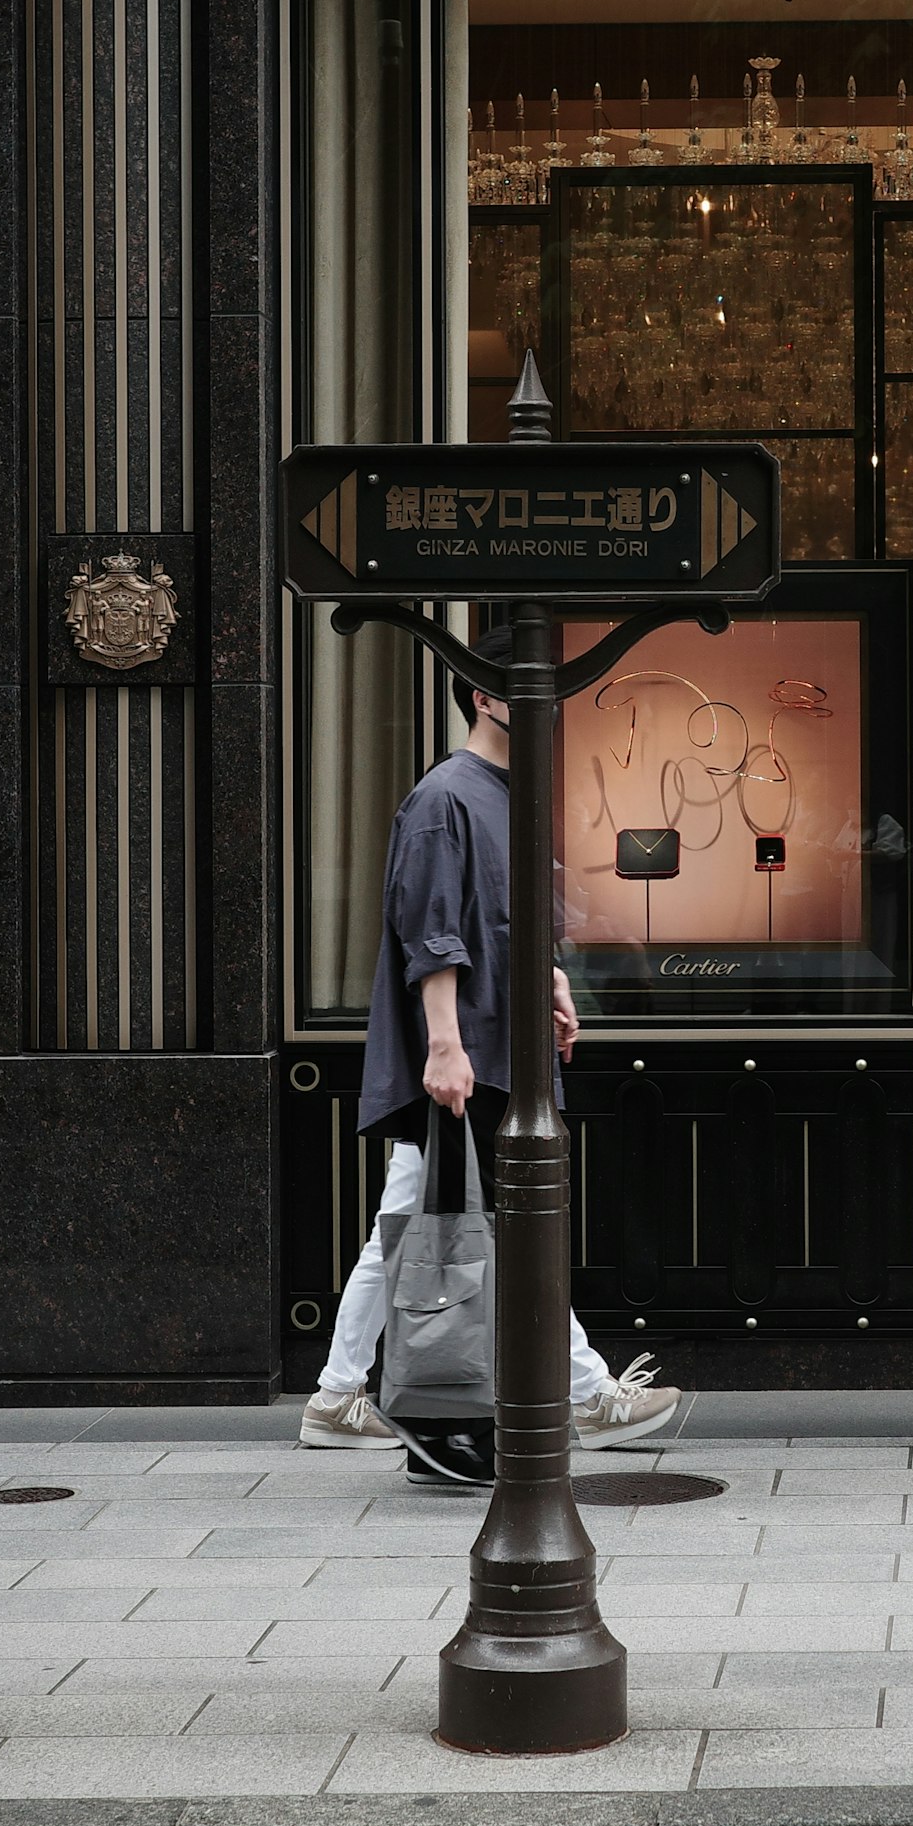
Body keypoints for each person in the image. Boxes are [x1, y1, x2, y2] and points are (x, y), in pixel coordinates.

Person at [303, 619, 685, 1459]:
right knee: (507, 1225)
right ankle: (587, 1395)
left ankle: (335, 1396)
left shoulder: (506, 793)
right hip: (470, 1054)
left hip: (492, 1046)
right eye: (528, 689)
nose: (549, 706)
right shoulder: (446, 795)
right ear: (484, 696)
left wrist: (548, 981)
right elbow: (429, 932)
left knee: (416, 1222)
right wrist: (444, 1045)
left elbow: (508, 920)